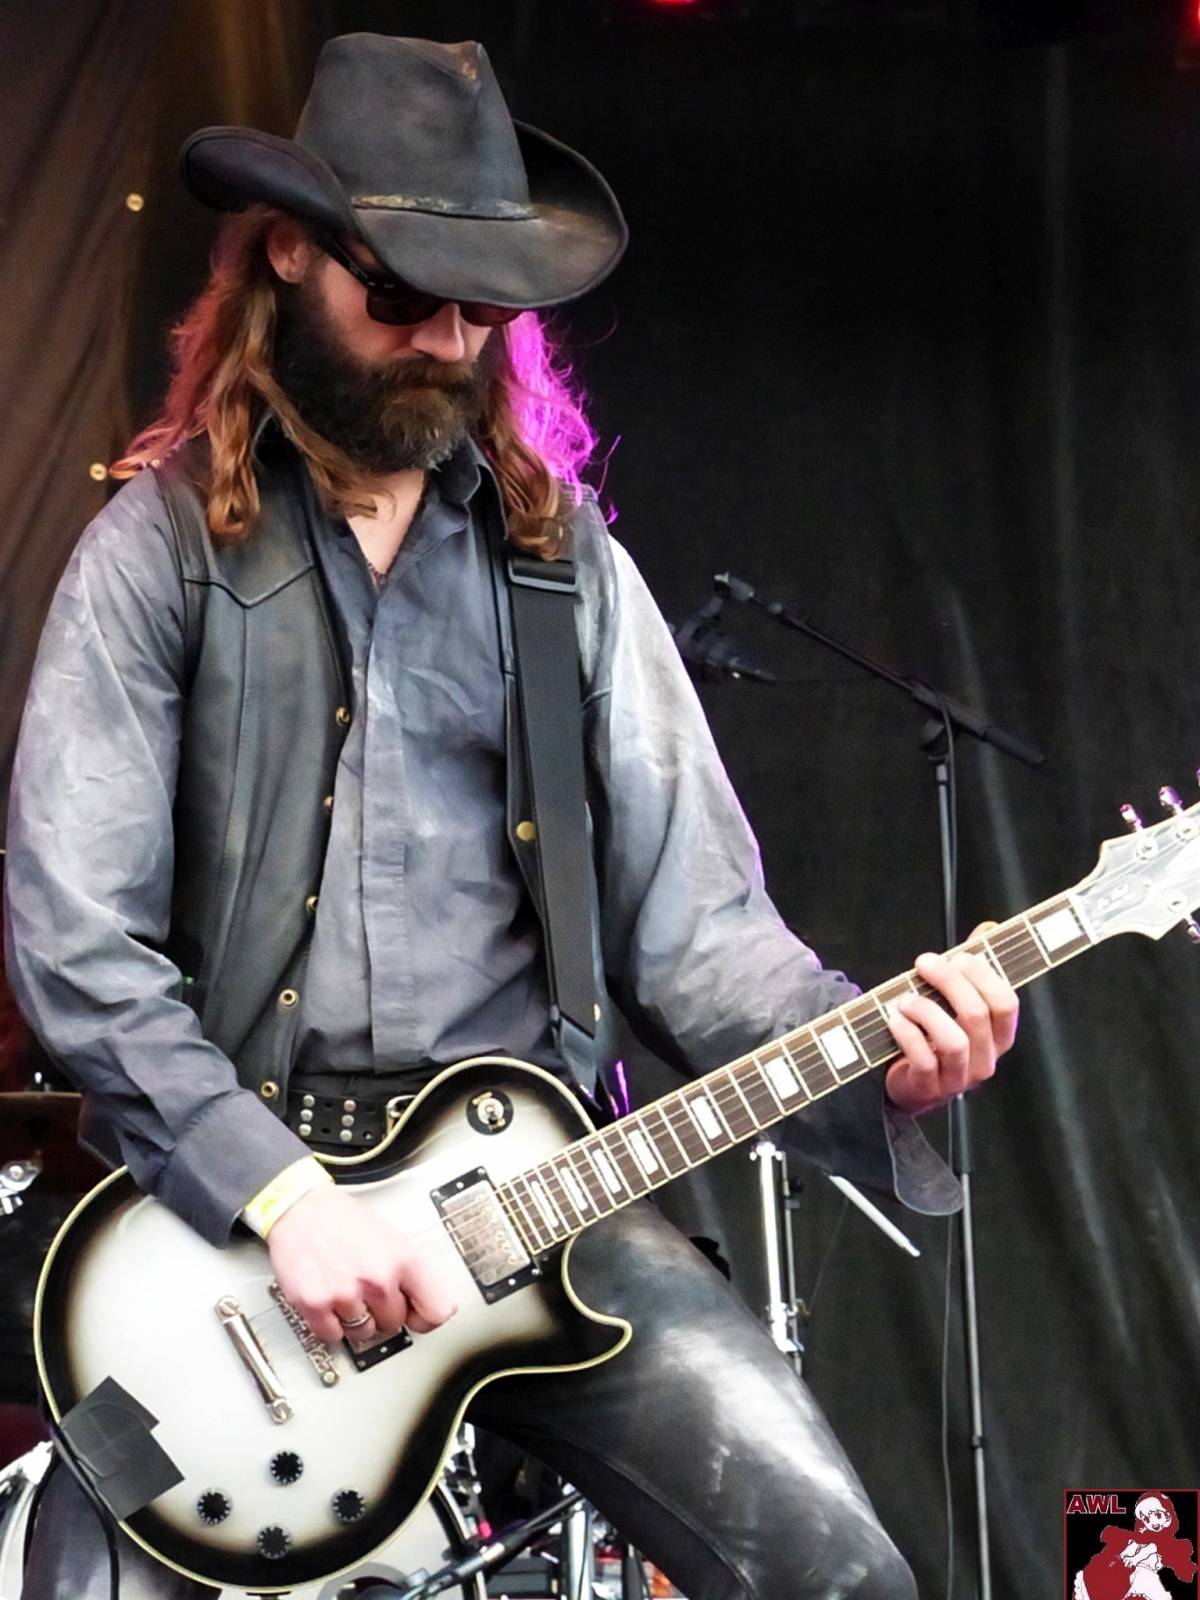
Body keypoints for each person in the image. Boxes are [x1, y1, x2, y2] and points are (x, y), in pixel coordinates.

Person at [3, 33, 1018, 1600]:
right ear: (290, 255)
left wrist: (885, 1061)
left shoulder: (568, 568)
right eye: (405, 292)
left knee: (844, 1577)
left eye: (482, 306)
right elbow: (78, 942)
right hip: (227, 1216)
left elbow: (705, 939)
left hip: (538, 1203)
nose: (448, 337)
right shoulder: (158, 556)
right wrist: (282, 1197)